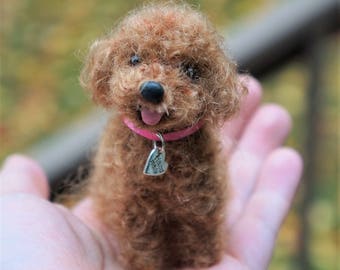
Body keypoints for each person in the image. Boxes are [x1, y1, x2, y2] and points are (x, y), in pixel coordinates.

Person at [0, 77, 302, 270]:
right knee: (132, 207)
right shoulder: (120, 137)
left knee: (200, 204)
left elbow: (205, 204)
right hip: (120, 235)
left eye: (187, 70)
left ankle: (200, 251)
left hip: (197, 181)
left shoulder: (203, 142)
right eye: (134, 62)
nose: (154, 83)